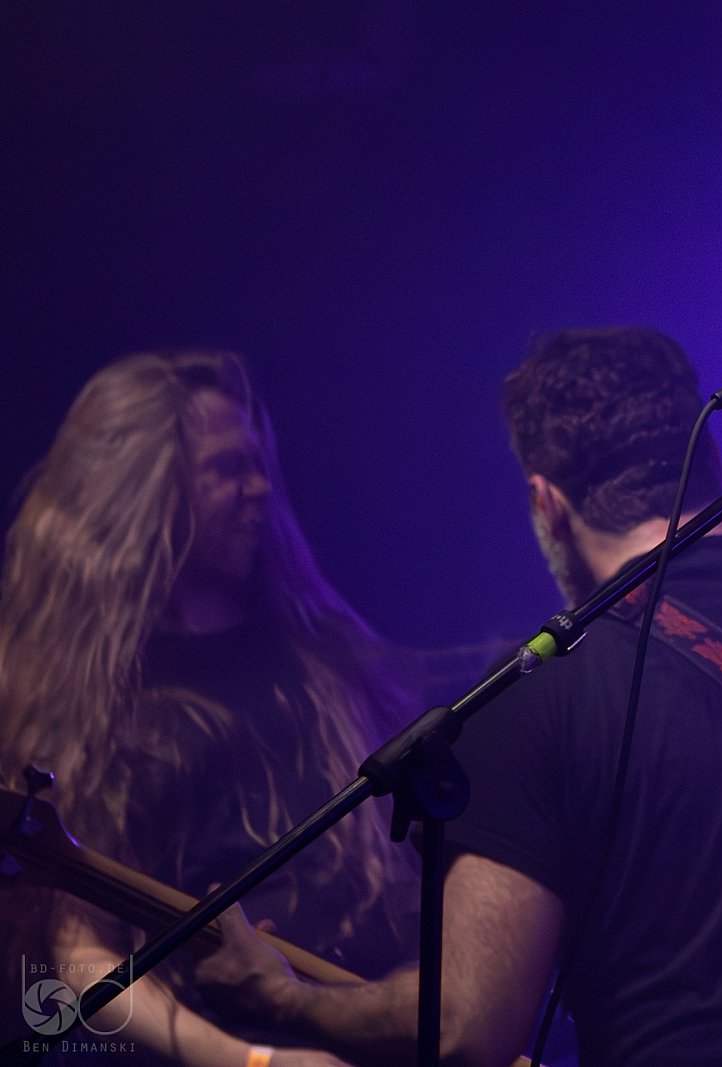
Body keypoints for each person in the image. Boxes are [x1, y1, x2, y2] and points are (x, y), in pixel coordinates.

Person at [194, 326, 722, 1067]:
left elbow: (465, 1026)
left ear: (546, 502)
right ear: (710, 461)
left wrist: (285, 998)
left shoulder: (531, 699)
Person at [0, 350, 417, 1066]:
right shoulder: (78, 686)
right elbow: (76, 949)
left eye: (257, 463)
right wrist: (248, 1061)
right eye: (227, 468)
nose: (261, 488)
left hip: (387, 1029)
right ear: (148, 488)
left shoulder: (312, 638)